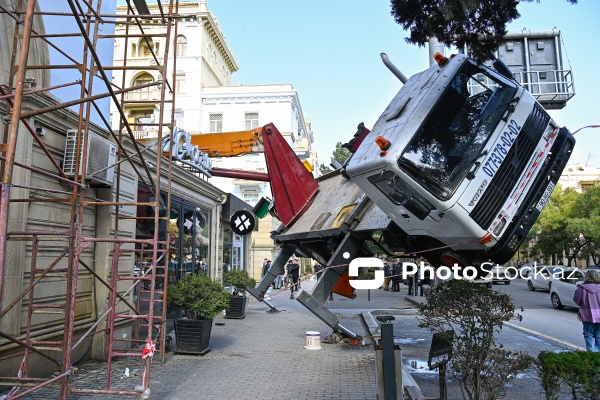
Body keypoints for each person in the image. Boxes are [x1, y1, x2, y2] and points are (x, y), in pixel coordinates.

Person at [573, 270, 600, 351]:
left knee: (588, 334)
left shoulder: (581, 288)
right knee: (599, 335)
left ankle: (591, 353)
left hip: (587, 314)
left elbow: (577, 300)